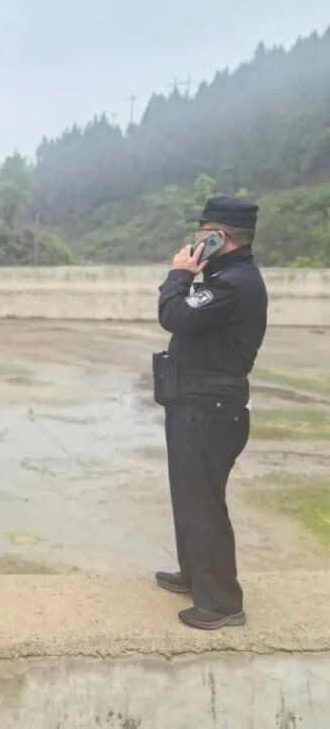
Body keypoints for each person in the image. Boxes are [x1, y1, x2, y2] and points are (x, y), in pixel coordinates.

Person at [153, 197, 267, 630]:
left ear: (221, 237)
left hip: (210, 410)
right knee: (190, 496)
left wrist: (179, 274)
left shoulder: (234, 284)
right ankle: (196, 576)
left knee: (203, 502)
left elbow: (174, 315)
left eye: (203, 232)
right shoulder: (222, 279)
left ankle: (222, 603)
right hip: (197, 405)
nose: (196, 239)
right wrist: (193, 276)